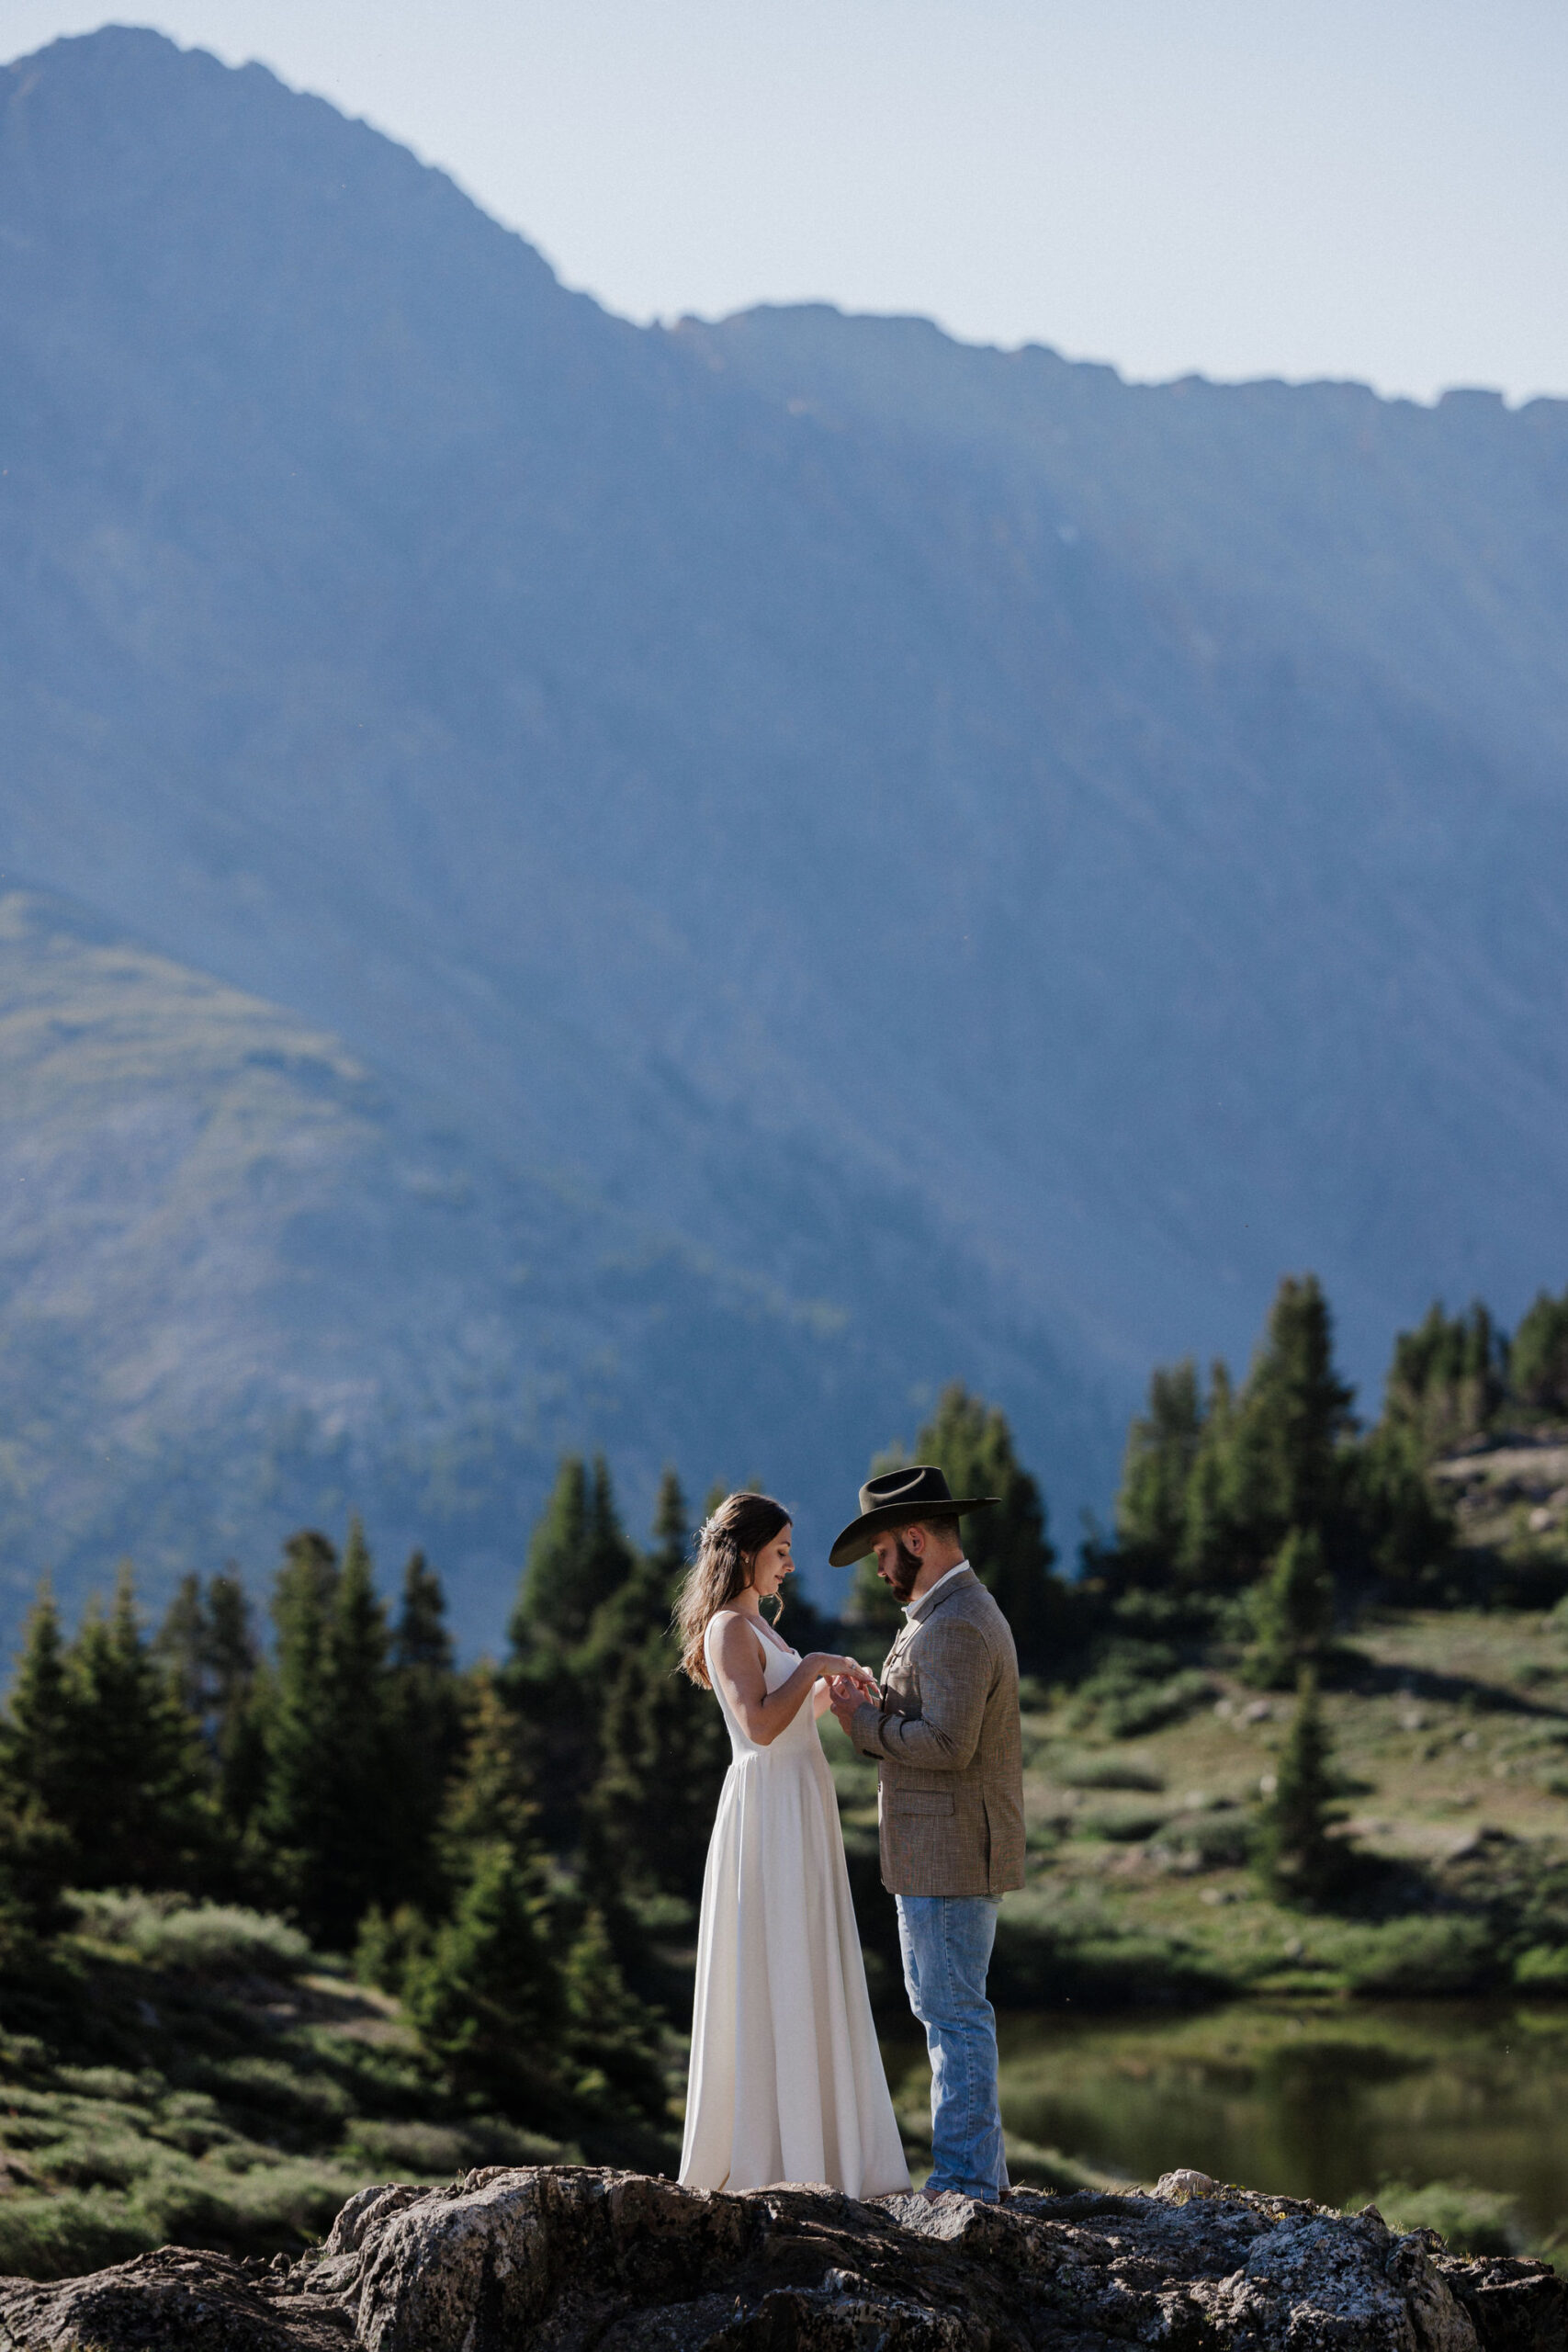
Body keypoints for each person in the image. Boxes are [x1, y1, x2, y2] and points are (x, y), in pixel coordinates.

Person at [676, 1490, 911, 2198]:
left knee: (803, 1958)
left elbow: (788, 1714)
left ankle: (821, 2153)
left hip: (795, 1806)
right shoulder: (727, 1629)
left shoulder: (761, 1630)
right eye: (780, 1551)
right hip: (767, 1812)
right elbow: (755, 1727)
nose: (789, 1564)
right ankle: (778, 2157)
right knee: (773, 1962)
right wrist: (813, 1665)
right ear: (745, 1553)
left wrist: (833, 1689)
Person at [826, 1466, 1024, 2203]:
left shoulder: (956, 1624)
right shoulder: (949, 1616)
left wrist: (862, 1725)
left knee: (953, 2018)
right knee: (951, 2013)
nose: (879, 1569)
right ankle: (981, 2178)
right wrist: (883, 1705)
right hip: (944, 1851)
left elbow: (948, 1746)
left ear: (915, 1538)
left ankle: (967, 2185)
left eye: (882, 1552)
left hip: (948, 1855)